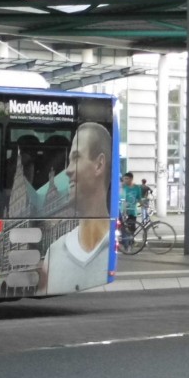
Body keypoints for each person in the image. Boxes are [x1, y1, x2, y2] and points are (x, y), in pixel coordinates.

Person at [39, 122, 112, 293]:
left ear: (99, 165)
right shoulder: (53, 252)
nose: (67, 170)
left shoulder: (110, 248)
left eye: (76, 158)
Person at [119, 171, 142, 250]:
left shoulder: (137, 188)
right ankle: (126, 243)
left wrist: (143, 205)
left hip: (133, 211)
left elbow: (139, 199)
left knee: (132, 229)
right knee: (124, 228)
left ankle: (130, 243)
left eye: (126, 179)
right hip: (124, 211)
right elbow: (121, 198)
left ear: (131, 179)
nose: (125, 180)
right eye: (124, 179)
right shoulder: (123, 187)